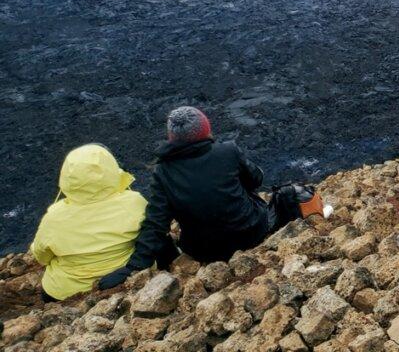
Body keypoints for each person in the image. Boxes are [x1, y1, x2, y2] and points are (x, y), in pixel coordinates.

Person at [98, 106, 294, 290]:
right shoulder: (228, 151)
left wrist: (133, 268)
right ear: (206, 130)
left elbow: (156, 224)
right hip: (251, 234)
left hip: (203, 251)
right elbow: (256, 180)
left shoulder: (163, 171)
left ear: (171, 137)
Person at [29, 144, 150, 301]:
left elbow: (41, 257)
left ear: (67, 176)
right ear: (110, 168)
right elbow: (150, 237)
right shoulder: (134, 202)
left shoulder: (54, 217)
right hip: (125, 276)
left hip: (66, 291)